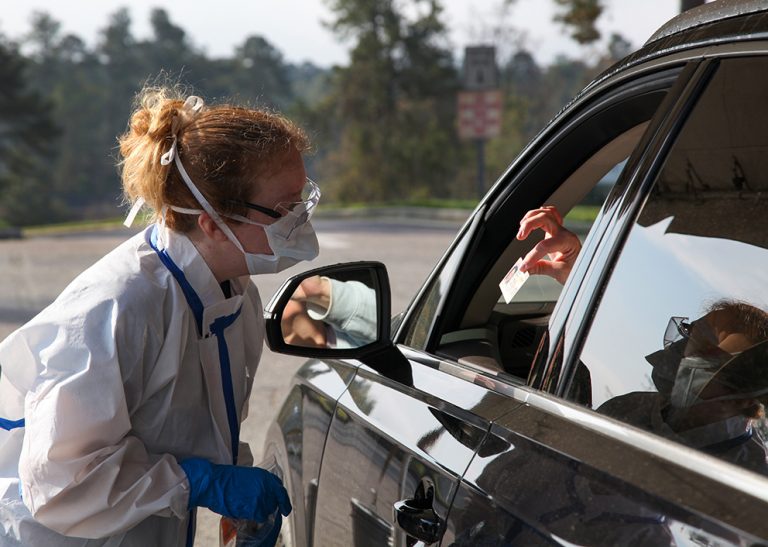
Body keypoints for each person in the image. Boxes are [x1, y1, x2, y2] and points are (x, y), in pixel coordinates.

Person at [0, 89, 319, 545]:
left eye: (304, 200)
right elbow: (60, 484)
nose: (300, 220)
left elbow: (196, 430)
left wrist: (234, 485)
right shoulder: (118, 307)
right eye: (286, 209)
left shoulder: (234, 294)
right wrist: (200, 483)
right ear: (212, 222)